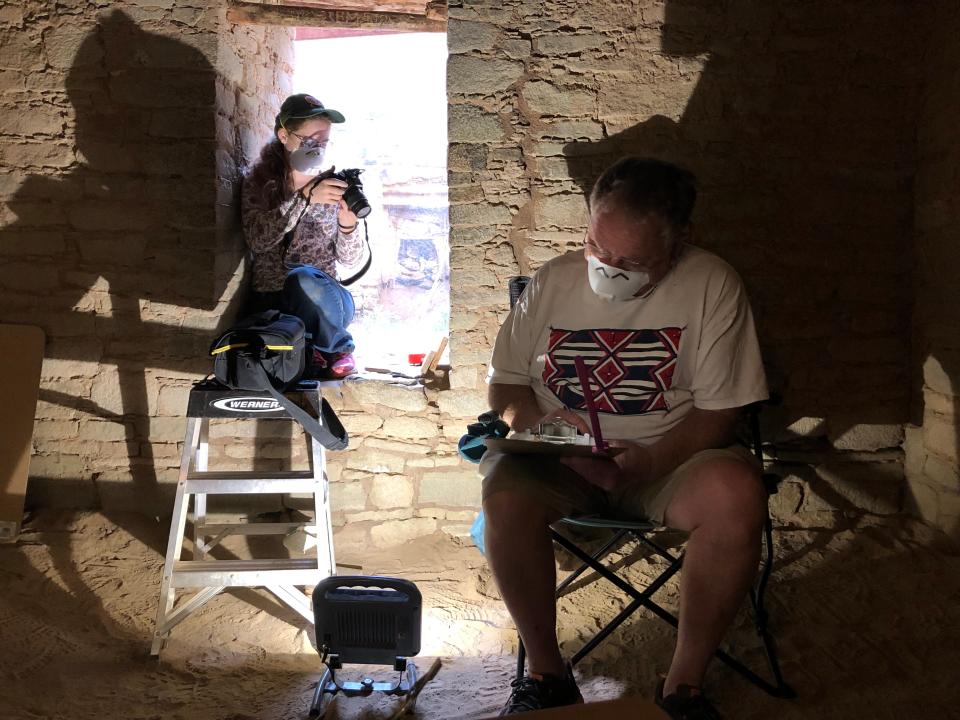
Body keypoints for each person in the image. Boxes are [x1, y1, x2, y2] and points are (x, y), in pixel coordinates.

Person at [482, 157, 769, 719]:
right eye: (597, 248)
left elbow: (722, 412)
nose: (608, 268)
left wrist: (647, 461)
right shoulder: (552, 280)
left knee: (737, 495)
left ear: (679, 241)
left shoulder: (712, 282)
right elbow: (508, 384)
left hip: (670, 460)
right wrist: (543, 431)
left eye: (631, 261)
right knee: (503, 492)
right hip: (563, 461)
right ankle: (547, 675)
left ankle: (682, 687)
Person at [241, 93, 366, 378]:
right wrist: (304, 198)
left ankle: (335, 349)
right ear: (284, 136)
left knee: (304, 280)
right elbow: (257, 240)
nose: (317, 149)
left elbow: (350, 259)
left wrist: (348, 225)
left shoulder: (335, 184)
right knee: (293, 281)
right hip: (275, 304)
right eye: (310, 141)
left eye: (323, 142)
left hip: (327, 303)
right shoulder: (260, 184)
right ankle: (324, 351)